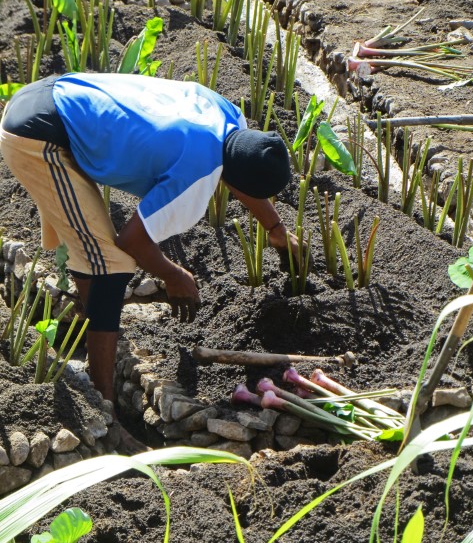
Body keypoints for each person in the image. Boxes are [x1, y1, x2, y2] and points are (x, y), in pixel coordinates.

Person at [0, 72, 300, 452]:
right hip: (38, 137)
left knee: (92, 245)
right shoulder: (196, 170)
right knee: (110, 263)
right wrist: (173, 276)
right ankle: (106, 414)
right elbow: (133, 240)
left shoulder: (228, 118)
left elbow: (238, 170)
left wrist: (275, 228)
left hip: (54, 95)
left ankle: (95, 321)